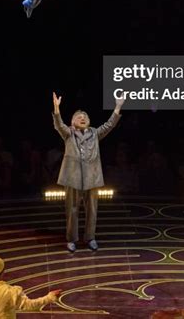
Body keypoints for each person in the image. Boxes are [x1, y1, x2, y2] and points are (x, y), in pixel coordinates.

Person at [52, 91, 124, 252]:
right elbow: (58, 125)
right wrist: (57, 109)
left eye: (85, 116)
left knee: (92, 209)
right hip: (73, 178)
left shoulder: (95, 133)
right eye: (79, 117)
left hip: (92, 178)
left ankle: (90, 237)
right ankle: (72, 239)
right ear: (72, 122)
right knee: (72, 209)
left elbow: (110, 124)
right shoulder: (68, 133)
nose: (82, 118)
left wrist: (118, 106)